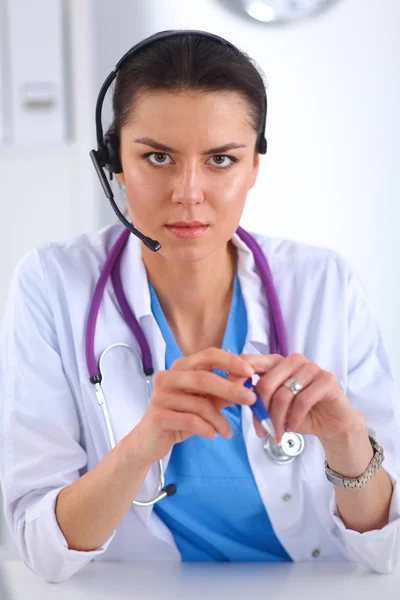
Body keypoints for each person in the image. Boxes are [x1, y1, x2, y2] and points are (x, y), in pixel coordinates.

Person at [1, 29, 400, 584]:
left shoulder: (324, 284)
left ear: (254, 167)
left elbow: (387, 550)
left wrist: (346, 440)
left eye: (220, 159)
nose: (188, 192)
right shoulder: (52, 283)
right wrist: (141, 446)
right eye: (157, 157)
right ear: (115, 162)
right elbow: (43, 551)